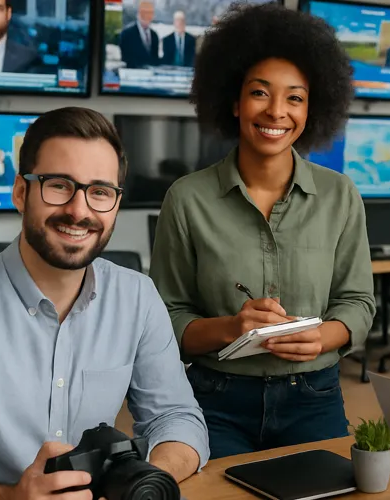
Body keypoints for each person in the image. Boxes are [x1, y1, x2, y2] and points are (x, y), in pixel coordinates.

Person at [0, 107, 209, 500]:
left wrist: (144, 483)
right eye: (59, 185)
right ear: (21, 192)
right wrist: (12, 498)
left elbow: (177, 418)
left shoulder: (137, 297)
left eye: (100, 192)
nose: (79, 211)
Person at [149, 3, 375, 459]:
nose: (277, 111)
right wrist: (233, 328)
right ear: (233, 101)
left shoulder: (340, 195)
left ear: (312, 109)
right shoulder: (187, 198)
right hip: (215, 399)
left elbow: (359, 304)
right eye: (259, 93)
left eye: (295, 97)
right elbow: (166, 321)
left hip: (314, 397)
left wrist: (324, 336)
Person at [120, 0, 159, 69]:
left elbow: (155, 60)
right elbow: (125, 59)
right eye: (144, 12)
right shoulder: (127, 34)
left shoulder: (154, 36)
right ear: (138, 13)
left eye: (150, 13)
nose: (147, 16)